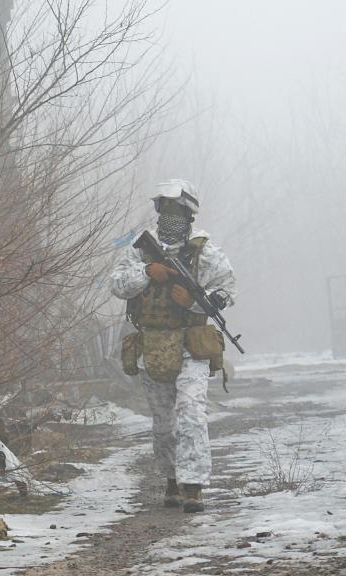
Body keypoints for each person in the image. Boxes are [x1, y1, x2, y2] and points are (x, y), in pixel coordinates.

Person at [110, 179, 236, 513]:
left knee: (192, 414)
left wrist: (196, 302)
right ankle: (171, 480)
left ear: (189, 214)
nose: (169, 216)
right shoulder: (139, 248)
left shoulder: (204, 250)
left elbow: (227, 290)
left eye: (176, 211)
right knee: (163, 423)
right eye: (164, 209)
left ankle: (193, 486)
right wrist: (148, 271)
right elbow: (118, 285)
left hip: (190, 343)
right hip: (152, 343)